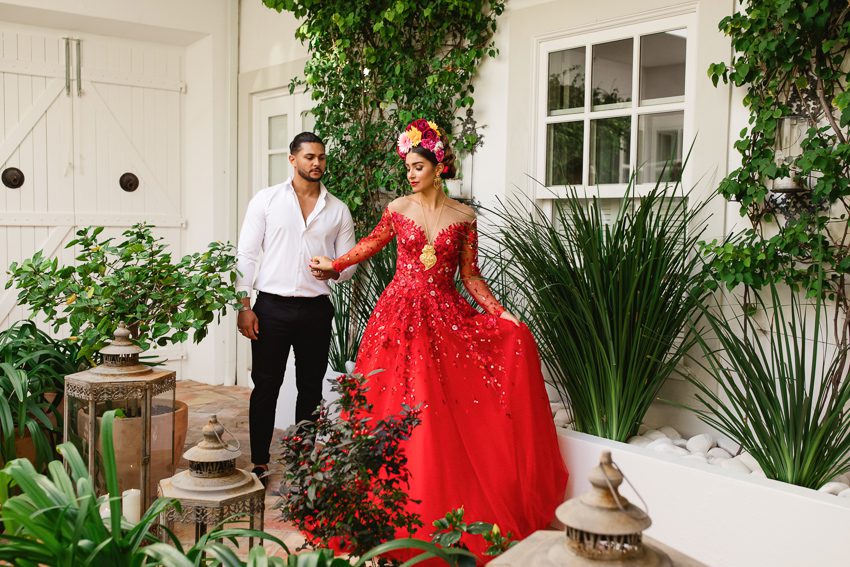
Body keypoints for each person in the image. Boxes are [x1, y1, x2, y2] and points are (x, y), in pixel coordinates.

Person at [310, 119, 567, 560]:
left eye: (418, 166)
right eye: (408, 167)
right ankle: (379, 514)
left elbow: (471, 276)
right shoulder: (397, 208)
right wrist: (334, 265)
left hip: (445, 319)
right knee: (391, 408)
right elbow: (371, 244)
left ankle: (438, 508)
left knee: (437, 412)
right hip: (397, 318)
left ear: (438, 166)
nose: (411, 174)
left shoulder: (464, 217)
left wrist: (501, 313)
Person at [236, 132, 356, 486]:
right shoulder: (266, 200)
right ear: (292, 160)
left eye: (321, 157)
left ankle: (303, 461)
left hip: (316, 309)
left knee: (310, 387)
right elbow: (246, 255)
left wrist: (333, 269)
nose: (317, 163)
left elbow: (348, 264)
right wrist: (244, 305)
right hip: (270, 308)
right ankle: (260, 462)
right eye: (309, 157)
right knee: (265, 385)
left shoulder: (338, 210)